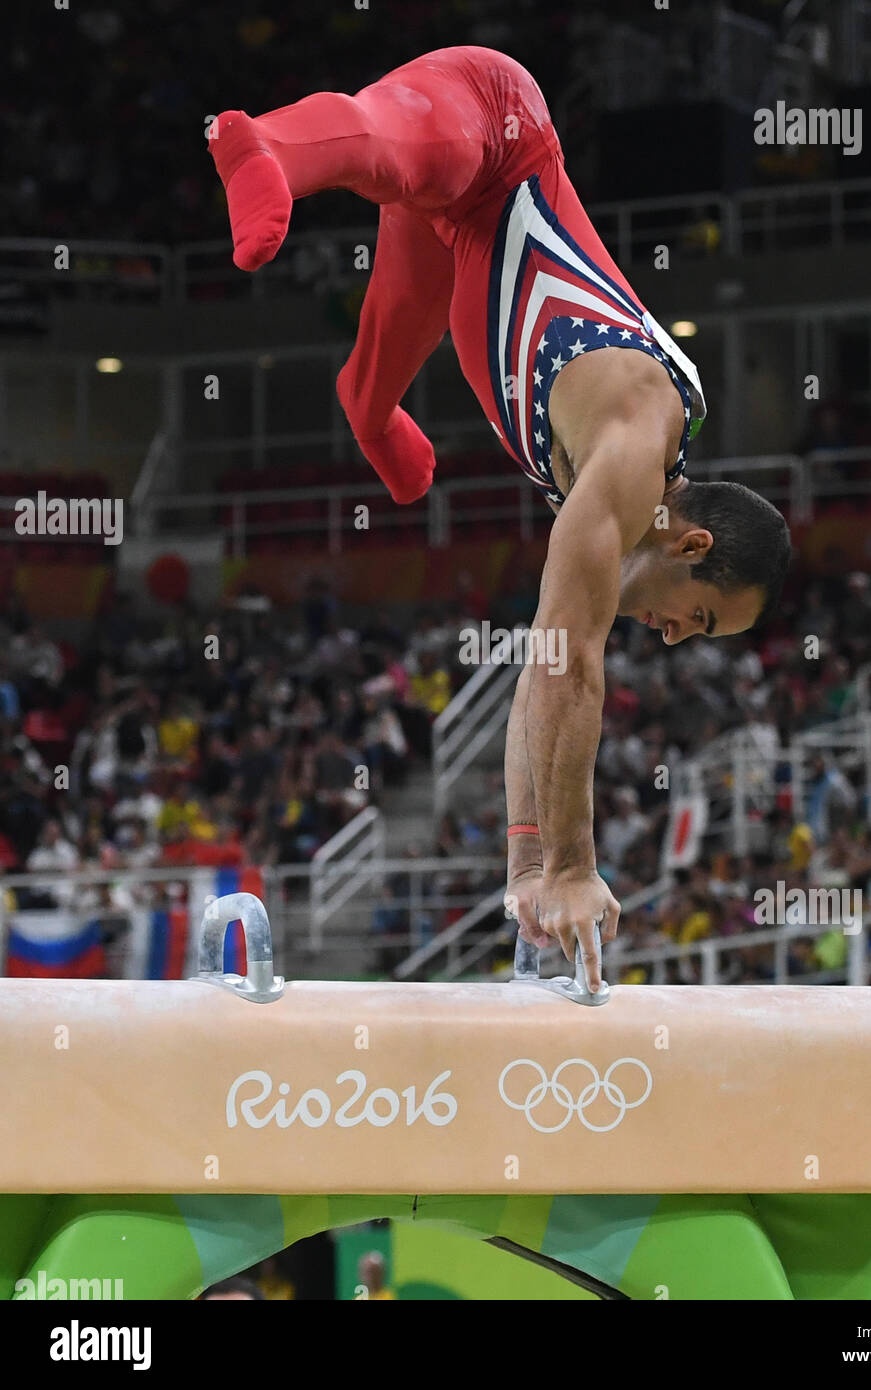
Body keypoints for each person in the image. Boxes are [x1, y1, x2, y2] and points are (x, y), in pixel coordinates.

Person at [207, 47, 791, 986]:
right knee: (393, 152)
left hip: (461, 239)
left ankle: (377, 422)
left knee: (371, 389)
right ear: (693, 543)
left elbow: (538, 674)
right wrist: (572, 866)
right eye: (704, 616)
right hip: (499, 130)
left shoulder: (614, 506)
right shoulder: (635, 443)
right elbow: (571, 670)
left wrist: (528, 870)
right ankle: (262, 146)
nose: (681, 639)